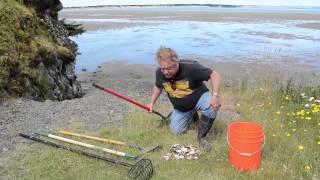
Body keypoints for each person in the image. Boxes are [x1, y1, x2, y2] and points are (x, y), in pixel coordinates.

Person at [147, 46, 221, 151]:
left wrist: (215, 96)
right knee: (176, 131)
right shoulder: (160, 72)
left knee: (212, 107)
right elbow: (158, 86)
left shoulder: (191, 67)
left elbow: (215, 75)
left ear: (177, 62)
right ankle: (192, 115)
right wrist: (151, 103)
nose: (166, 72)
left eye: (169, 68)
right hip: (182, 108)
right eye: (163, 68)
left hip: (199, 98)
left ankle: (202, 137)